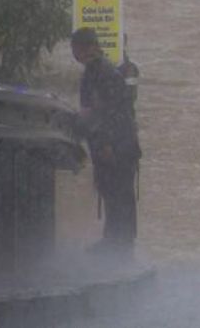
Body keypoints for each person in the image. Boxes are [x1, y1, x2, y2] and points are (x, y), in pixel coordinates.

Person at [71, 27, 141, 257]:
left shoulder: (104, 73)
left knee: (120, 195)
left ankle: (122, 246)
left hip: (118, 147)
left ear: (87, 47)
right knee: (110, 193)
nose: (75, 54)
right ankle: (113, 242)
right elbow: (90, 113)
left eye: (77, 49)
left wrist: (107, 144)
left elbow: (114, 112)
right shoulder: (94, 72)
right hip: (108, 145)